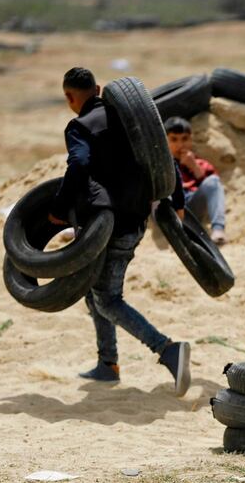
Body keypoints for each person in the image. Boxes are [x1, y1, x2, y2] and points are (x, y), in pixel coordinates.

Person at [49, 67, 191, 397]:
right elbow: (161, 158)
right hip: (135, 215)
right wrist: (177, 199)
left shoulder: (79, 126)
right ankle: (107, 364)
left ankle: (168, 350)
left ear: (70, 97)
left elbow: (79, 164)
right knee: (92, 289)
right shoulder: (129, 119)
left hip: (109, 223)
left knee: (108, 299)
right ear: (97, 89)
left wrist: (58, 210)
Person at [163, 116, 227, 245]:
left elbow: (213, 190)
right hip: (171, 209)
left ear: (191, 139)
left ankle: (218, 229)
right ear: (166, 141)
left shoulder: (200, 163)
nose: (180, 145)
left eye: (185, 139)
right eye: (174, 139)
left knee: (213, 181)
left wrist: (194, 167)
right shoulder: (163, 164)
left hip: (192, 208)